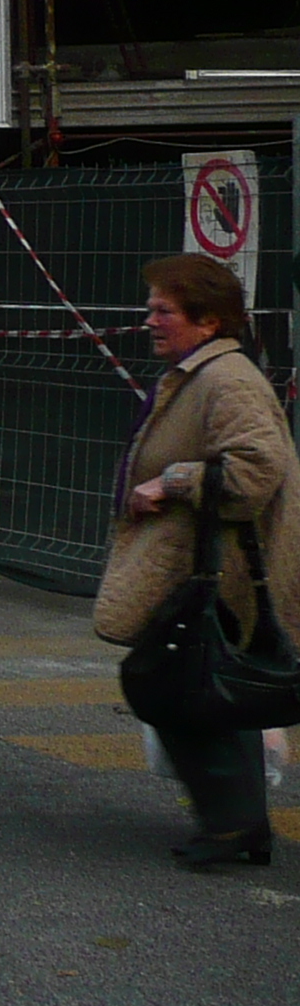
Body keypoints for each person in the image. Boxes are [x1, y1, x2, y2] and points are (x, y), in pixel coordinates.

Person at [95, 252, 300, 870]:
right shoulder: (200, 372)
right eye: (151, 307)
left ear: (208, 321)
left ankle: (233, 825)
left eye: (165, 310)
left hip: (224, 569)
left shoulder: (227, 379)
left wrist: (172, 482)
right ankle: (236, 824)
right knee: (198, 688)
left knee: (177, 686)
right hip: (199, 564)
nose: (149, 320)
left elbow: (255, 470)